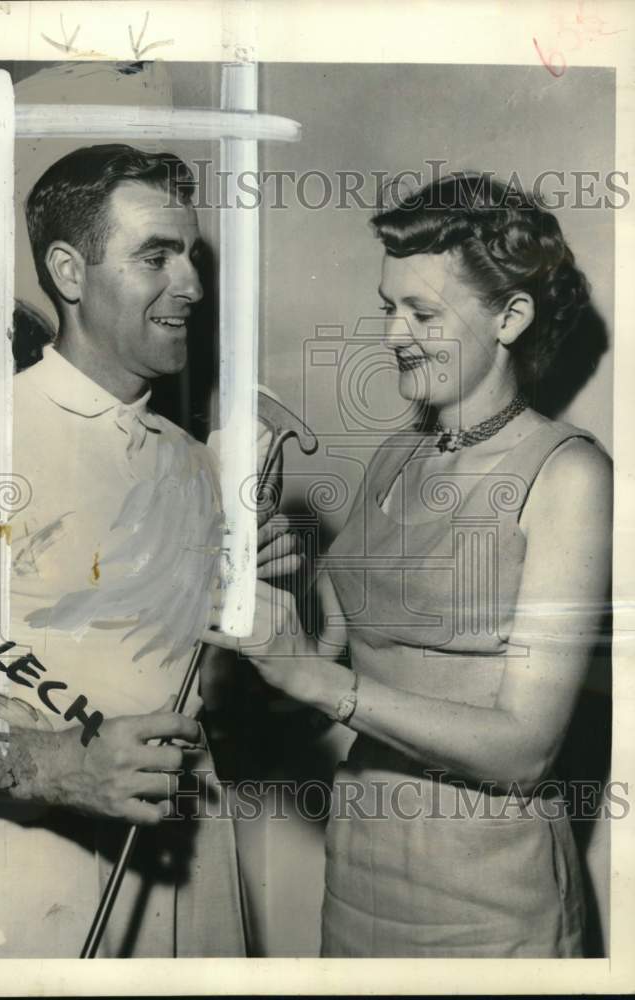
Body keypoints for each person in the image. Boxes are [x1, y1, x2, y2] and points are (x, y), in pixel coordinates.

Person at [204, 173, 612, 957]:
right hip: (360, 871)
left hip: (489, 896)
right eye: (388, 306)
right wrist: (266, 600)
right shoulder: (395, 456)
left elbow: (524, 751)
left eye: (422, 312)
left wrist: (315, 679)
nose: (394, 333)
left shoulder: (566, 475)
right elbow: (323, 670)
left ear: (511, 317)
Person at [0, 144, 294, 958]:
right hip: (21, 894)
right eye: (154, 256)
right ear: (69, 270)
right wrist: (55, 766)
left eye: (189, 254)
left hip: (200, 883)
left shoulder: (196, 466)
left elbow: (211, 698)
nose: (190, 284)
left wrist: (267, 615)